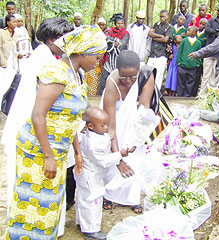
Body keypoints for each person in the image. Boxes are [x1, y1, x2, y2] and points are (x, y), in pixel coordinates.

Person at [5, 25, 107, 239]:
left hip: (57, 152)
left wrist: (77, 152)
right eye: (96, 58)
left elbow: (72, 119)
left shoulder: (76, 76)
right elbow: (38, 115)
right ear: (84, 52)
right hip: (37, 152)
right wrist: (48, 157)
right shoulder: (56, 71)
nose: (97, 63)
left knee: (50, 207)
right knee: (31, 209)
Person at [1, 17, 74, 238]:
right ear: (53, 39)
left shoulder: (46, 55)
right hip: (30, 132)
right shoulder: (46, 62)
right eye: (66, 38)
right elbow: (38, 110)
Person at [101, 50, 158, 214]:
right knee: (111, 148)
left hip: (136, 117)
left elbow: (143, 111)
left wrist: (136, 140)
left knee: (135, 154)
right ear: (117, 71)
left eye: (132, 77)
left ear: (138, 72)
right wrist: (117, 160)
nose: (128, 81)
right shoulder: (112, 85)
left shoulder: (146, 74)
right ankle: (109, 194)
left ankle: (132, 197)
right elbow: (110, 128)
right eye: (124, 76)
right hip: (114, 118)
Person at [74, 106, 131, 240]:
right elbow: (103, 161)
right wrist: (119, 154)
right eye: (103, 125)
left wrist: (107, 137)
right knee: (93, 202)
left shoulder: (92, 134)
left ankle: (81, 222)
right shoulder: (92, 143)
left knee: (83, 200)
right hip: (91, 177)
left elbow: (102, 139)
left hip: (87, 175)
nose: (106, 128)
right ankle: (91, 230)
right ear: (91, 126)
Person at [98, 13, 129, 95]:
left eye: (122, 23)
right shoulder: (109, 31)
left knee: (119, 79)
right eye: (118, 23)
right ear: (115, 23)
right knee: (104, 78)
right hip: (109, 60)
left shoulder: (126, 33)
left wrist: (116, 42)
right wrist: (114, 42)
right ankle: (101, 95)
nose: (120, 25)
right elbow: (105, 39)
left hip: (119, 61)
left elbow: (123, 44)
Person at [198, 4, 219, 95]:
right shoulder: (211, 20)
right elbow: (207, 30)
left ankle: (211, 96)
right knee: (206, 74)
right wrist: (218, 32)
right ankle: (202, 95)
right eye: (218, 11)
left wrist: (214, 32)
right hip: (209, 52)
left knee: (216, 75)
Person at [148, 9, 173, 91]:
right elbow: (149, 33)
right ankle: (148, 92)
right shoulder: (156, 24)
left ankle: (156, 93)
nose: (162, 18)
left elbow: (166, 40)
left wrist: (155, 37)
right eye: (161, 17)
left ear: (168, 17)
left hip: (161, 54)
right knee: (148, 74)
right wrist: (160, 36)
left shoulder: (169, 27)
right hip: (152, 54)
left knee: (158, 76)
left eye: (164, 17)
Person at [84, 17, 107, 96]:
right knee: (92, 79)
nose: (101, 27)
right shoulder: (92, 35)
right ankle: (91, 96)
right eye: (100, 25)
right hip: (93, 60)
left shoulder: (107, 35)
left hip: (104, 62)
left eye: (103, 25)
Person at [177, 25, 202, 97]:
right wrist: (179, 62)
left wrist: (198, 63)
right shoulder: (184, 41)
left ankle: (187, 94)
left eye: (189, 30)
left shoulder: (198, 43)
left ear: (194, 33)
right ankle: (180, 94)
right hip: (182, 65)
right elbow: (180, 52)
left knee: (190, 81)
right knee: (181, 81)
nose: (187, 32)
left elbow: (199, 53)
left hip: (193, 67)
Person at [0, 14, 20, 100]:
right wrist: (3, 62)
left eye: (16, 22)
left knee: (7, 87)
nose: (16, 24)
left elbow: (17, 49)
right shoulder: (2, 33)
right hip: (3, 63)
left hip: (13, 65)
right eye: (14, 22)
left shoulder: (16, 35)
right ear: (8, 23)